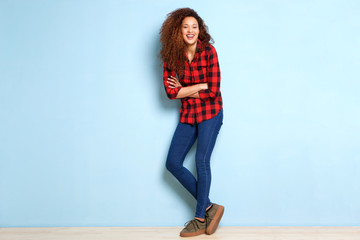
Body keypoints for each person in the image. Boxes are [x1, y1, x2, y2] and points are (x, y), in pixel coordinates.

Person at [159, 8, 224, 237]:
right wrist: (199, 86)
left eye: (194, 26)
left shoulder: (209, 52)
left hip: (211, 113)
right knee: (173, 163)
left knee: (201, 160)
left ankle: (199, 218)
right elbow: (170, 92)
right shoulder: (171, 57)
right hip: (189, 114)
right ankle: (208, 206)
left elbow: (214, 91)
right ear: (177, 30)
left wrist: (184, 89)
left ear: (200, 29)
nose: (190, 31)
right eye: (186, 26)